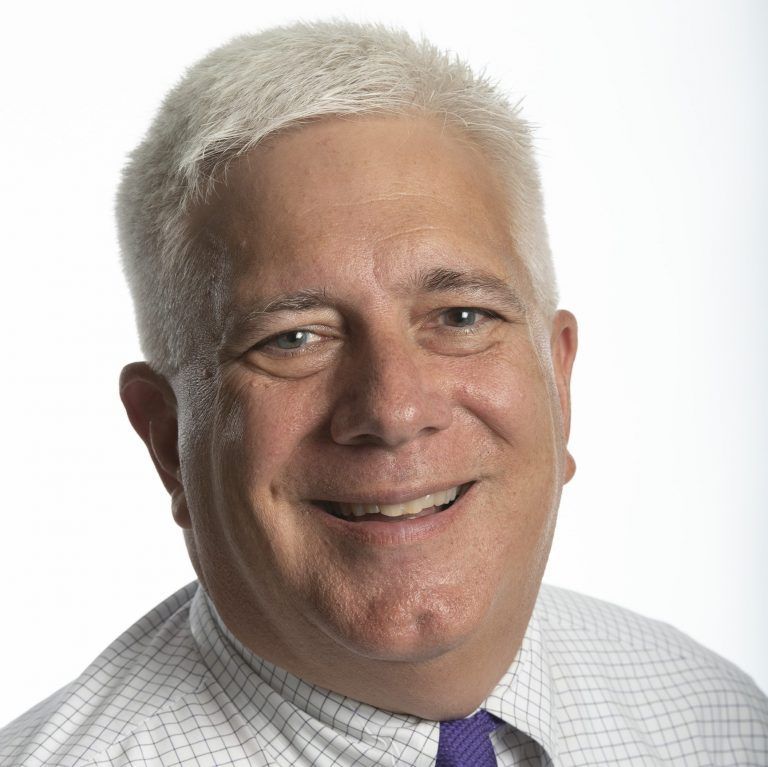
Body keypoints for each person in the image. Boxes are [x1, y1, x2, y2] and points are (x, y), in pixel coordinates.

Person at [1, 20, 765, 767]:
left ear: (557, 379)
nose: (395, 411)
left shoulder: (717, 721)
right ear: (167, 440)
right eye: (293, 337)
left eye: (462, 316)